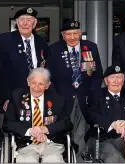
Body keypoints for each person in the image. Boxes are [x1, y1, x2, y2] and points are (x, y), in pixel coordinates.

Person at [47, 20, 103, 157]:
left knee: (82, 130)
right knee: (64, 129)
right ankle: (65, 156)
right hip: (63, 98)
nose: (72, 37)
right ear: (63, 35)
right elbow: (49, 77)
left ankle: (79, 157)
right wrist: (55, 97)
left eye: (75, 33)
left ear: (80, 33)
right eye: (68, 34)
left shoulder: (91, 47)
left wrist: (93, 94)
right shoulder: (54, 49)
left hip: (85, 97)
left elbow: (97, 74)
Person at [3, 67, 71, 163]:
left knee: (52, 160)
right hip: (26, 145)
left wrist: (46, 129)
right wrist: (30, 131)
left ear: (47, 85)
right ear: (28, 82)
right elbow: (7, 124)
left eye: (41, 84)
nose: (36, 88)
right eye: (33, 83)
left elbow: (66, 123)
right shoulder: (17, 97)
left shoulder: (57, 99)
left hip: (51, 144)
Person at [0, 7, 51, 113]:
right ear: (17, 22)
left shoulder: (41, 42)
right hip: (12, 99)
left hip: (37, 98)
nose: (25, 23)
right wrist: (5, 98)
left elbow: (45, 68)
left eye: (29, 20)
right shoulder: (5, 39)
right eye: (22, 19)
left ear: (34, 23)